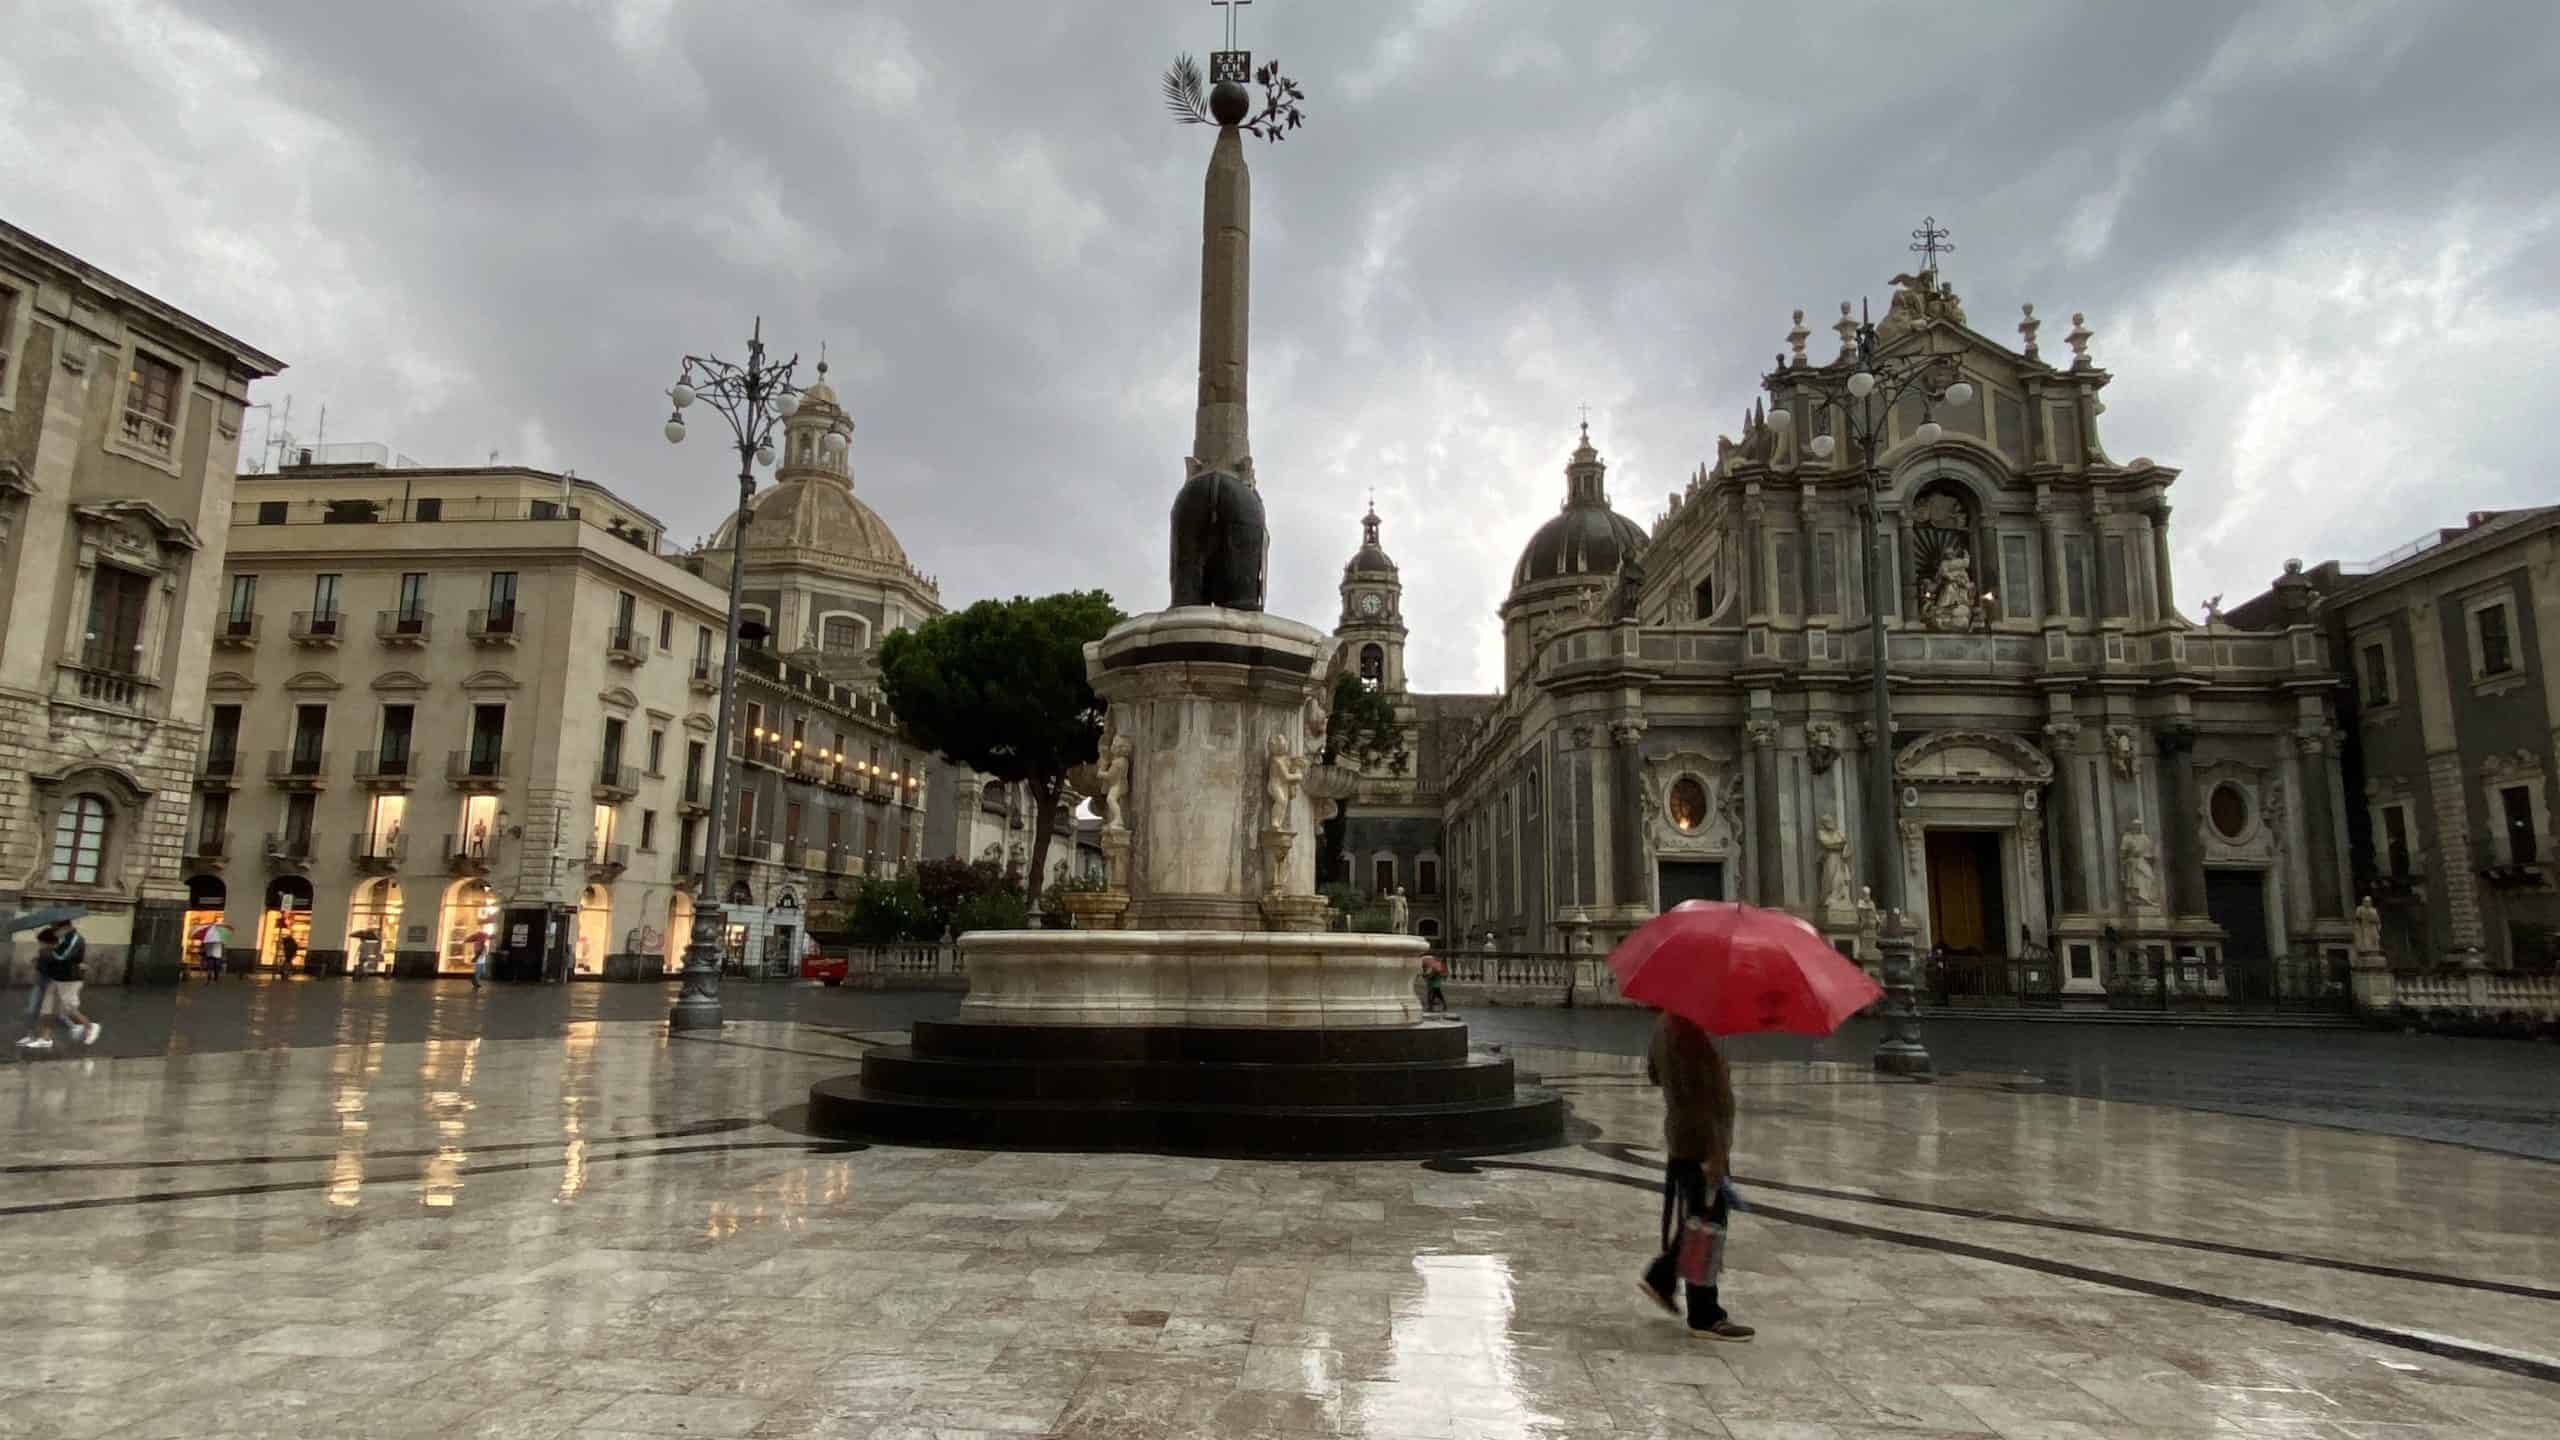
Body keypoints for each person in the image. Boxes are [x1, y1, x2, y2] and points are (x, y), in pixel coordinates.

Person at [1638, 1010, 1753, 1341]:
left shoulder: (1664, 1025)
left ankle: (1663, 1277)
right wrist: (1716, 1153)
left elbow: (1654, 1075)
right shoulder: (1692, 1033)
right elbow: (1706, 1102)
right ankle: (1704, 1313)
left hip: (1682, 1136)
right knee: (1708, 1223)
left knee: (1699, 1218)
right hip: (1703, 1143)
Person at [21, 925, 99, 1052]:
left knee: (65, 1010)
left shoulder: (55, 951)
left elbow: (64, 963)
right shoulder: (50, 951)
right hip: (51, 984)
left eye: (42, 942)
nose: (40, 945)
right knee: (47, 1011)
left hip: (60, 983)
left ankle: (88, 1026)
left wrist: (40, 961)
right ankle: (45, 1038)